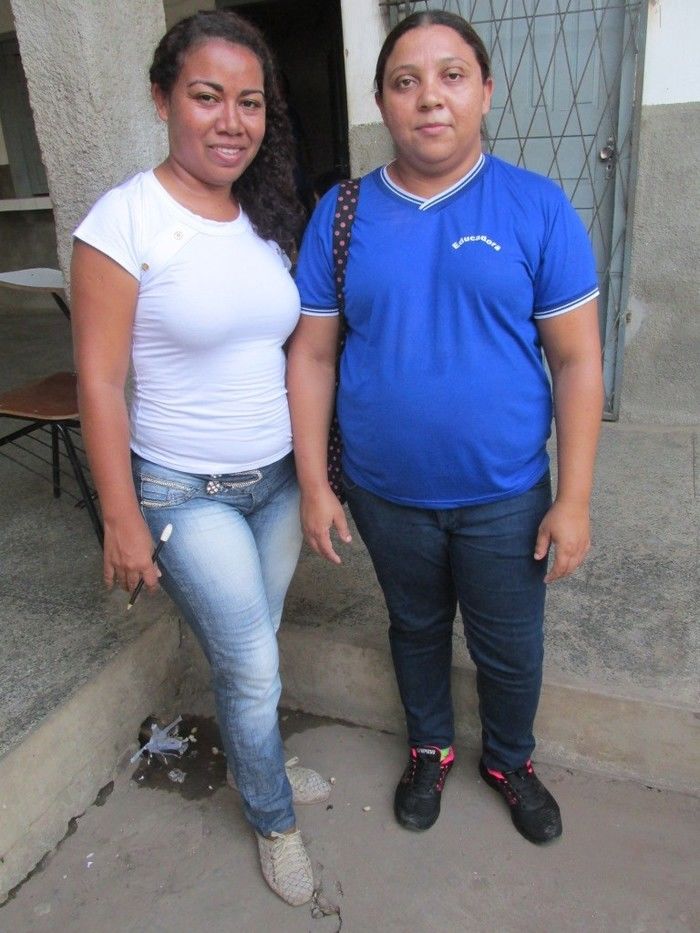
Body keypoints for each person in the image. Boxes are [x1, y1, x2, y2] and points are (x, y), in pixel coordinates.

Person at [287, 10, 604, 846]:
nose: (430, 97)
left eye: (452, 76)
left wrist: (573, 499)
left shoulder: (537, 206)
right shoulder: (342, 214)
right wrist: (316, 484)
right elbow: (312, 355)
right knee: (416, 627)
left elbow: (577, 361)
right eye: (406, 81)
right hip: (385, 493)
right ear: (383, 103)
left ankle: (510, 759)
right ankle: (430, 747)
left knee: (510, 645)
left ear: (485, 92)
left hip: (507, 494)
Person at [71, 11, 329, 906]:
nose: (232, 121)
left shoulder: (265, 214)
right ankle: (273, 816)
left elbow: (291, 349)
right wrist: (121, 517)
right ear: (162, 99)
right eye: (207, 96)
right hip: (186, 491)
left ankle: (262, 755)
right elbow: (100, 382)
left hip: (276, 483)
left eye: (250, 102)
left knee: (253, 646)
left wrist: (312, 477)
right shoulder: (124, 220)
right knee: (251, 661)